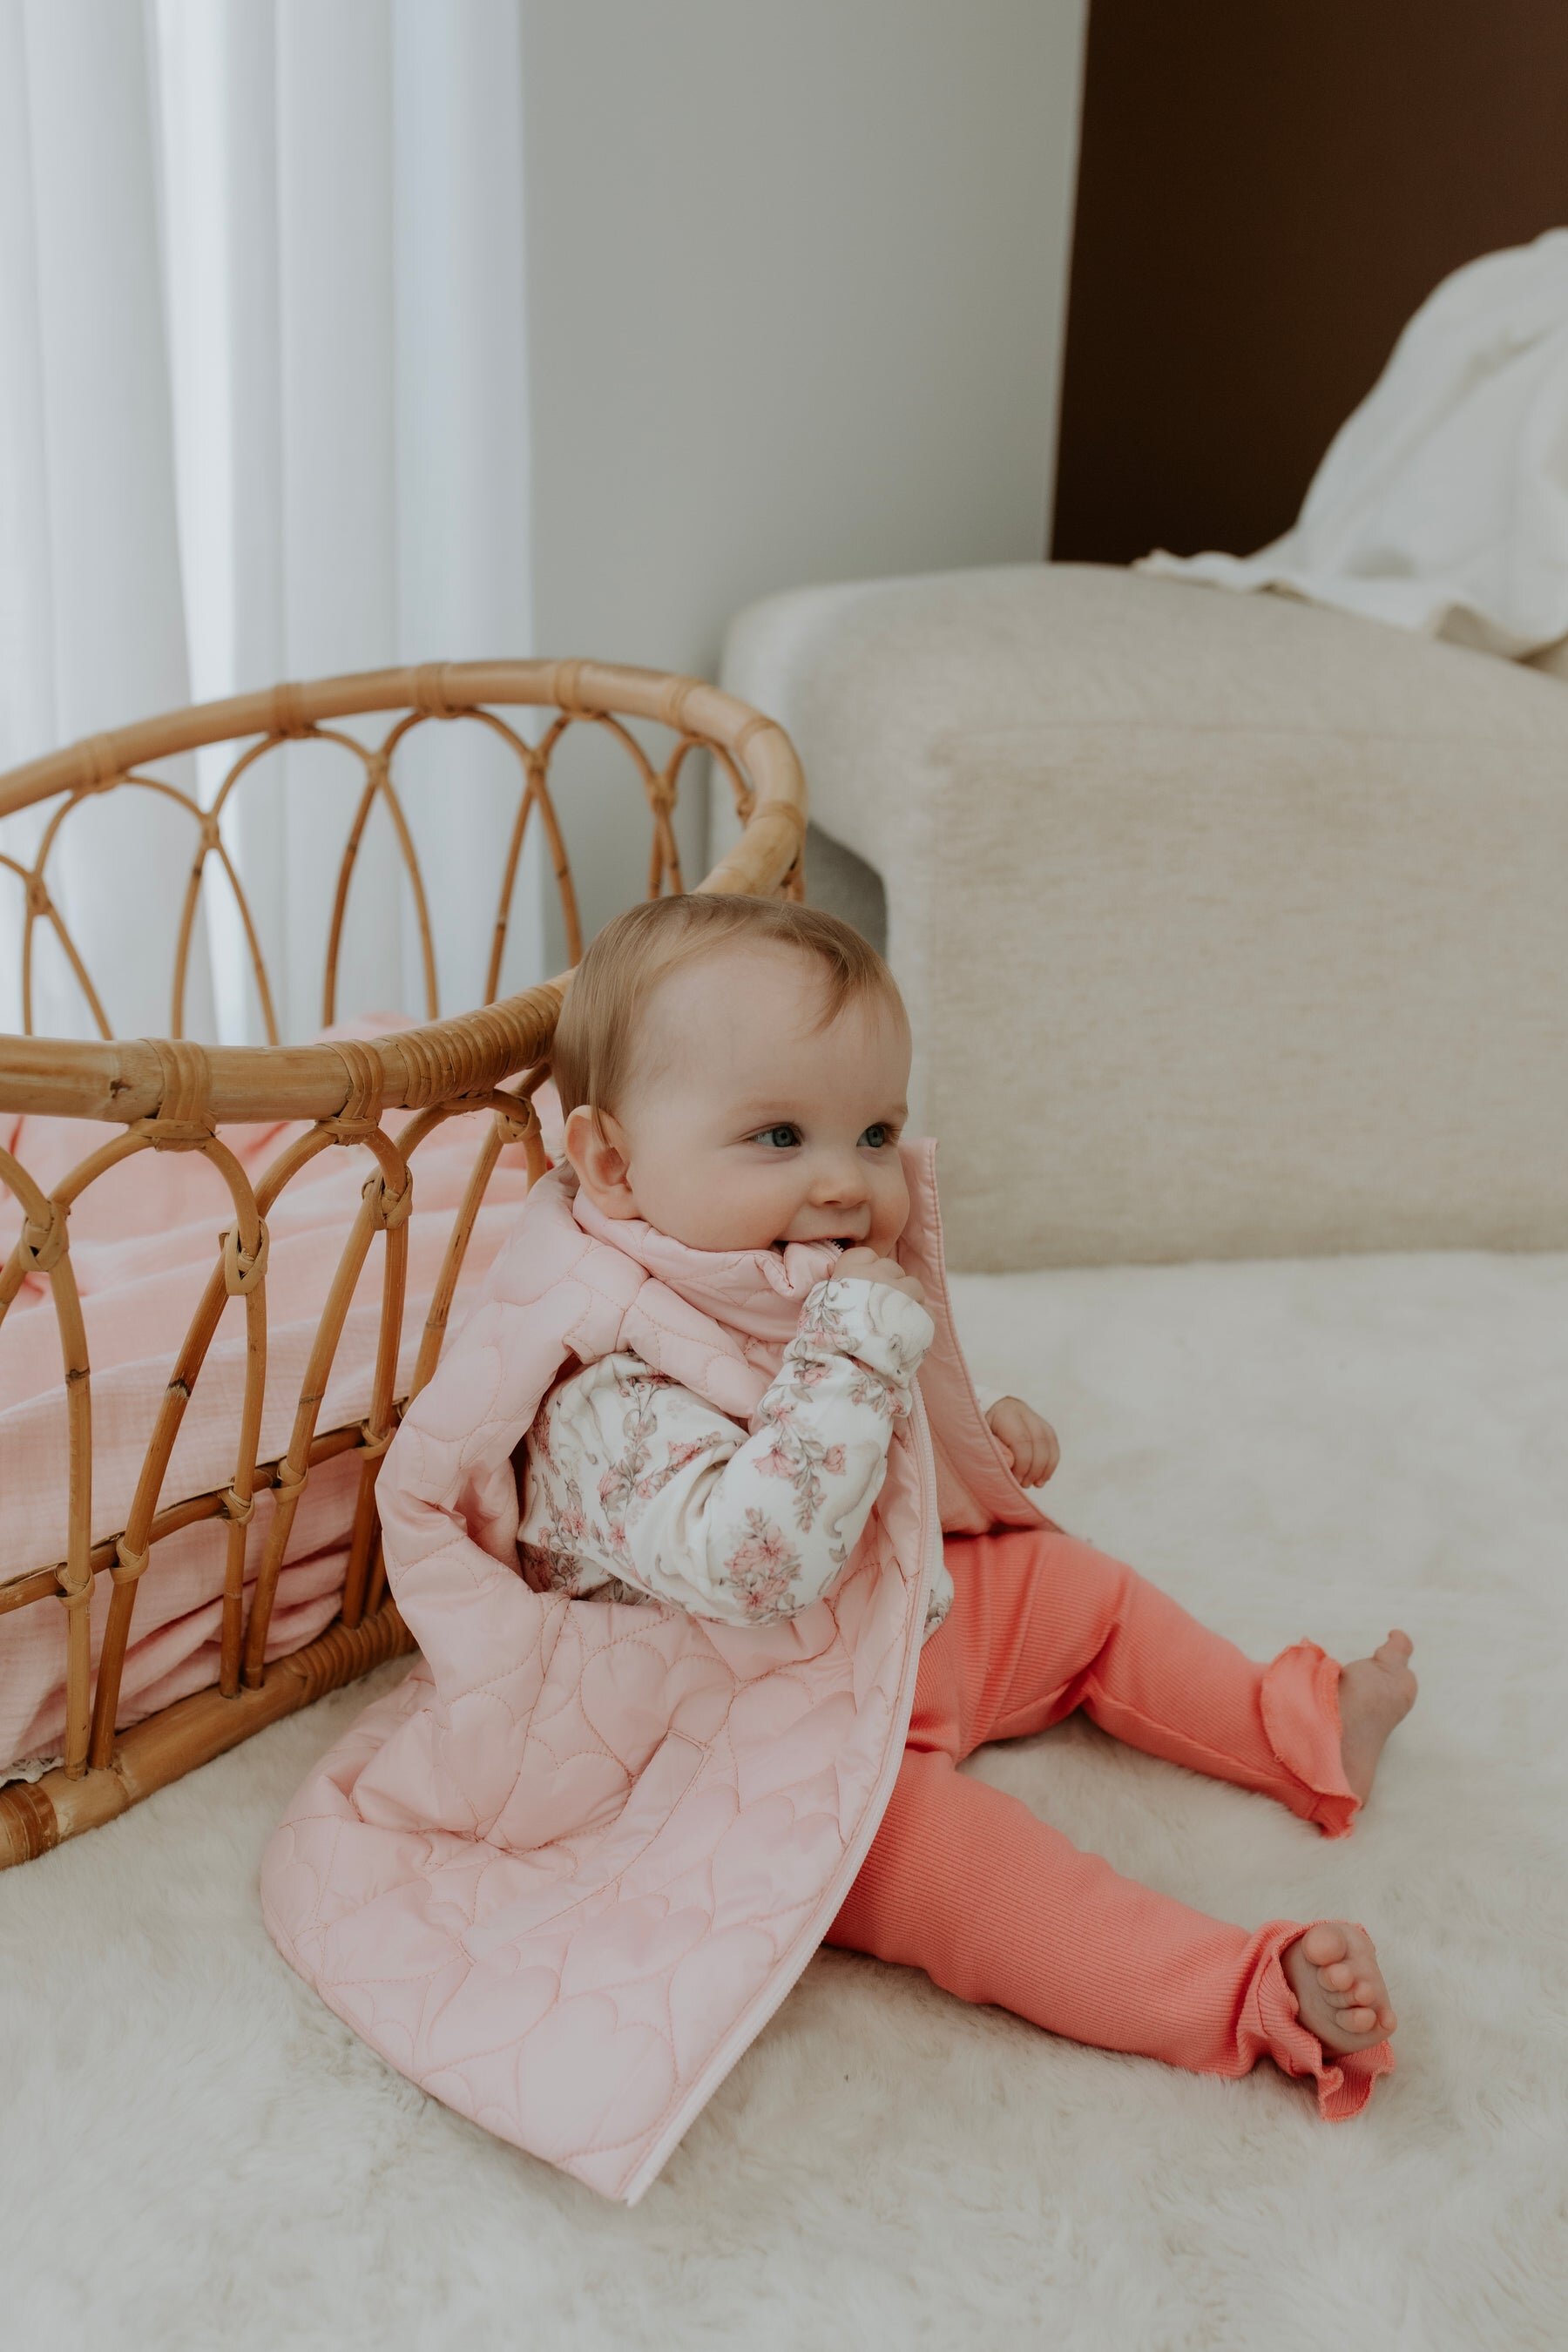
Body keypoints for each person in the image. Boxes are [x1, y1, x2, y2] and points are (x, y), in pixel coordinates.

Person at [520, 890, 1416, 2111]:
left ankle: (1292, 1726)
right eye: (779, 1135)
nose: (847, 1183)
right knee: (982, 1880)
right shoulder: (600, 1388)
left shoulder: (785, 1287)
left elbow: (858, 1449)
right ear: (614, 1166)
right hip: (757, 1751)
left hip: (897, 1641)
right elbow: (753, 1559)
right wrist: (856, 1357)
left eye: (874, 1133)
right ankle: (1246, 1992)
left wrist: (962, 1441)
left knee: (1076, 1590)